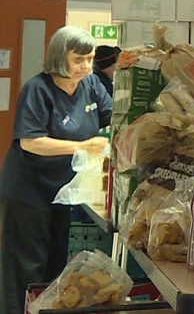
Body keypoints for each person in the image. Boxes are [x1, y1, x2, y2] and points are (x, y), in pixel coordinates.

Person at [0, 26, 112, 314]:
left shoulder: (90, 85)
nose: (86, 66)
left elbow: (114, 117)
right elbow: (30, 141)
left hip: (63, 193)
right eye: (78, 59)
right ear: (59, 57)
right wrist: (83, 146)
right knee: (26, 269)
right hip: (28, 191)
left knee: (55, 269)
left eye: (90, 59)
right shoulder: (38, 89)